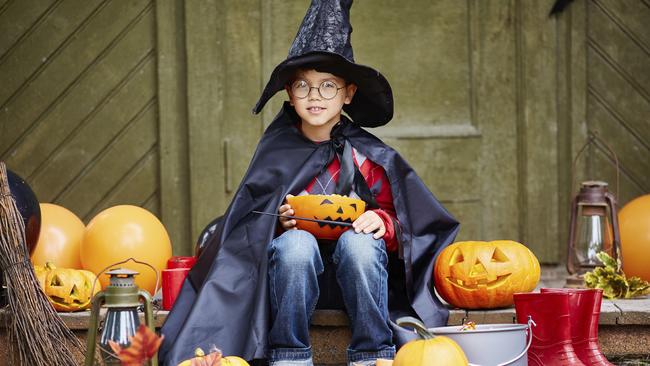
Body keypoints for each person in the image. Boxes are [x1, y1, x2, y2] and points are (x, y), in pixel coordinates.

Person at [158, 1, 459, 365]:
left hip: (361, 280)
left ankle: (371, 353)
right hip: (292, 282)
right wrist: (278, 222)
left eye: (328, 86)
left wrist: (382, 223)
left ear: (348, 94)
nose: (315, 96)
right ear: (289, 93)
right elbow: (250, 226)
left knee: (360, 246)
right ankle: (289, 354)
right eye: (304, 86)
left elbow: (408, 224)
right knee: (295, 245)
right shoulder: (277, 150)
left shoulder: (368, 156)